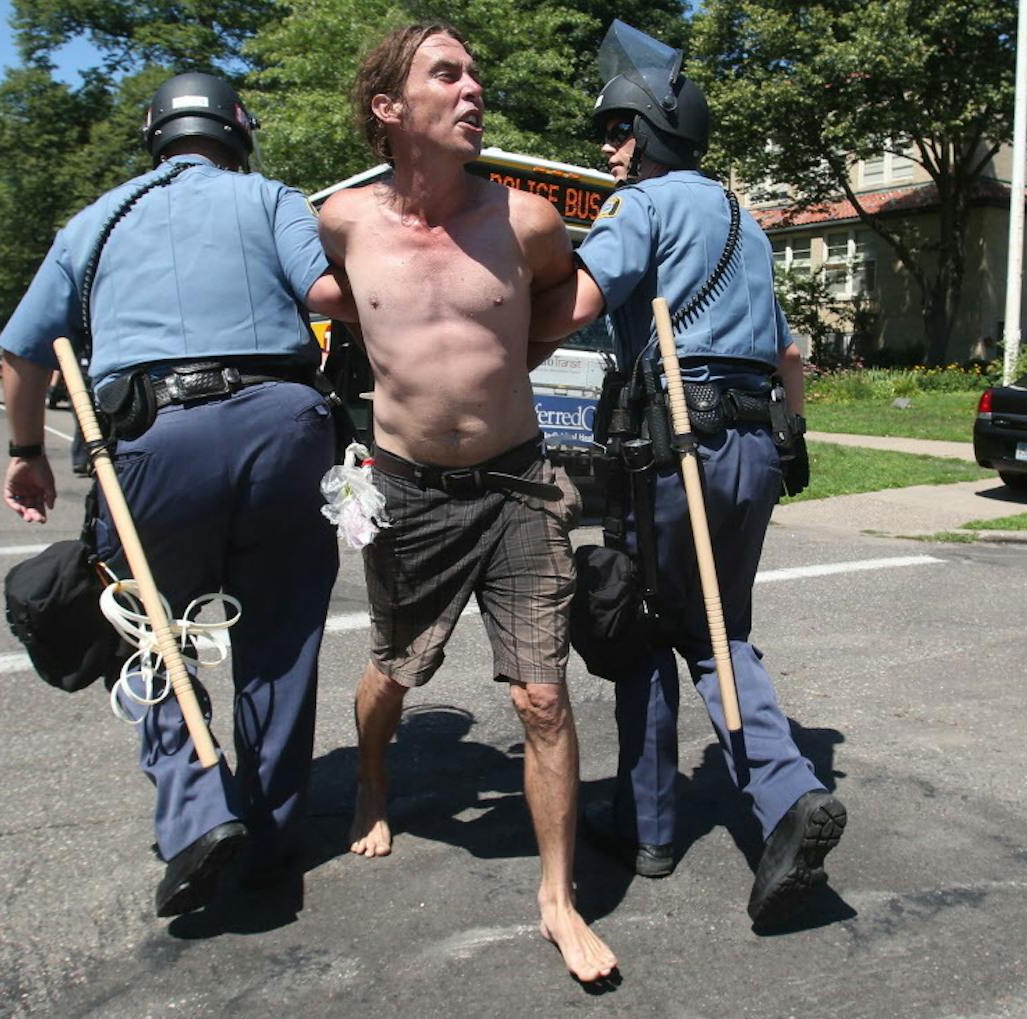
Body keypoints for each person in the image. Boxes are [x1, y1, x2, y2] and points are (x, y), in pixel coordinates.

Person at [0, 71, 354, 918]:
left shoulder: (95, 221)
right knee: (278, 639)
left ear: (155, 134)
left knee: (143, 627)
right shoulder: (272, 198)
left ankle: (197, 810)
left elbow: (22, 354)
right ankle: (271, 841)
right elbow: (328, 296)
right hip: (286, 427)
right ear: (238, 130)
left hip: (154, 437)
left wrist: (24, 452)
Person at [318, 22, 618, 983]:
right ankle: (371, 779)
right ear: (390, 108)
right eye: (446, 74)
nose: (473, 87)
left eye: (476, 73)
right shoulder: (342, 222)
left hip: (519, 484)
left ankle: (557, 897)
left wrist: (508, 369)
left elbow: (562, 302)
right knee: (395, 668)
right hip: (403, 490)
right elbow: (309, 300)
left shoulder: (527, 221)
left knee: (542, 693)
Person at [532, 22, 846, 930]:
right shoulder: (747, 220)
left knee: (648, 623)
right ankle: (668, 814)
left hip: (675, 446)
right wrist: (793, 437)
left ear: (653, 134)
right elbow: (787, 352)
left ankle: (738, 809)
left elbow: (583, 303)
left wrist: (493, 326)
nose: (609, 147)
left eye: (619, 130)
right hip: (754, 442)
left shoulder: (644, 207)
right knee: (719, 622)